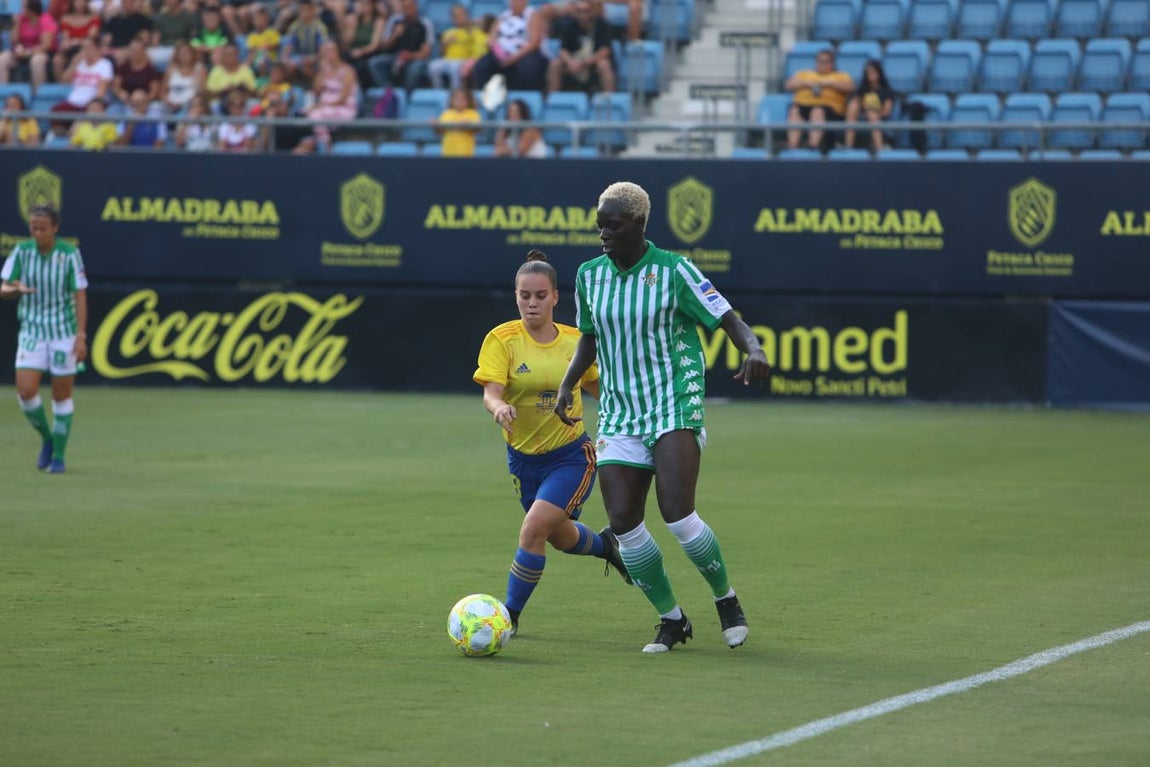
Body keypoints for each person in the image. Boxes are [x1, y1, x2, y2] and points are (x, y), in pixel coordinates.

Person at [555, 181, 770, 654]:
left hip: (673, 404)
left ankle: (726, 599)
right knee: (624, 522)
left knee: (677, 513)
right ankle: (671, 620)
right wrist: (569, 384)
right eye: (599, 227)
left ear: (637, 224)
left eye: (612, 226)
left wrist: (753, 348)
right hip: (618, 413)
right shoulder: (590, 276)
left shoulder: (675, 271)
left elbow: (727, 318)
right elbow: (588, 338)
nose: (603, 235)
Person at [474, 249, 630, 636]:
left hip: (571, 456)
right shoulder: (502, 339)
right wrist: (498, 408)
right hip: (523, 460)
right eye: (524, 295)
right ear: (515, 296)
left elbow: (603, 392)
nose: (531, 303)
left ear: (556, 297)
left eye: (540, 295)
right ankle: (608, 546)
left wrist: (626, 424)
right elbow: (491, 392)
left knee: (532, 530)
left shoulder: (577, 342)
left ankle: (507, 618)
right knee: (558, 536)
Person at [1, 204, 89, 475]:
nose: (37, 233)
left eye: (42, 229)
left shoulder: (69, 254)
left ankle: (59, 456)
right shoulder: (22, 252)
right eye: (33, 228)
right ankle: (48, 439)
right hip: (32, 332)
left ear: (55, 228)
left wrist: (81, 336)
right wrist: (16, 289)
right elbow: (4, 287)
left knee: (61, 394)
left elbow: (80, 296)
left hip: (63, 333)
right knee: (26, 392)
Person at [784, 48, 854, 151]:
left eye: (826, 61)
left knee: (817, 111)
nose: (823, 64)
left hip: (830, 110)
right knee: (795, 111)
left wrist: (830, 83)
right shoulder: (804, 74)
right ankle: (792, 147)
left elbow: (850, 88)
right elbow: (788, 85)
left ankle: (813, 146)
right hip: (803, 105)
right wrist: (805, 83)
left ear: (832, 63)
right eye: (820, 61)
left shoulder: (840, 76)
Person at [471, 0, 547, 92]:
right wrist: (499, 53)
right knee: (482, 66)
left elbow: (534, 42)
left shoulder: (533, 15)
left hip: (524, 52)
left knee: (527, 67)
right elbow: (491, 38)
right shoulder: (503, 16)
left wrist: (513, 58)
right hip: (501, 53)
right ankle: (487, 95)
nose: (515, 3)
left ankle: (522, 96)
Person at [546, 0, 615, 95]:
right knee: (555, 64)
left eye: (585, 11)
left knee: (604, 65)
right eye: (579, 11)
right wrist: (570, 61)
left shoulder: (602, 25)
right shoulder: (570, 25)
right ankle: (553, 99)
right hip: (573, 63)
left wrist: (584, 63)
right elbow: (563, 50)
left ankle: (609, 99)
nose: (582, 15)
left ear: (592, 11)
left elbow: (605, 51)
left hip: (592, 64)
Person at [367, 0, 433, 93]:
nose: (408, 9)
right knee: (375, 63)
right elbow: (384, 46)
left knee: (415, 68)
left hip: (415, 57)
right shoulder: (395, 20)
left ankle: (406, 95)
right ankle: (390, 92)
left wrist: (410, 56)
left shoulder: (425, 23)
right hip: (396, 56)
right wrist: (395, 35)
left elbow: (426, 52)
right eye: (405, 7)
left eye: (410, 6)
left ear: (416, 7)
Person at [0, 0, 57, 91]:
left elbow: (46, 45)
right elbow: (13, 41)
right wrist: (17, 24)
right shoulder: (21, 19)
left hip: (40, 52)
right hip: (21, 52)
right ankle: (3, 91)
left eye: (24, 7)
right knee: (2, 59)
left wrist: (29, 52)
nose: (21, 10)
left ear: (31, 9)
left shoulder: (46, 19)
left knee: (37, 61)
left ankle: (38, 92)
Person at [844, 59, 894, 152]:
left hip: (878, 117)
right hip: (860, 116)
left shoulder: (886, 91)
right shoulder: (862, 90)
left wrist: (873, 113)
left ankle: (880, 148)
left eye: (873, 71)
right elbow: (856, 104)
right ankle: (848, 145)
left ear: (879, 73)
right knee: (853, 105)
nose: (870, 74)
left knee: (872, 114)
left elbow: (887, 111)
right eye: (868, 72)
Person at [436, 86, 480, 157]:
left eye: (463, 99)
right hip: (448, 153)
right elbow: (440, 132)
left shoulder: (473, 113)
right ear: (451, 100)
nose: (459, 101)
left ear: (468, 101)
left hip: (466, 154)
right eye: (456, 98)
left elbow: (477, 130)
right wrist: (436, 125)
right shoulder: (446, 113)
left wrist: (468, 125)